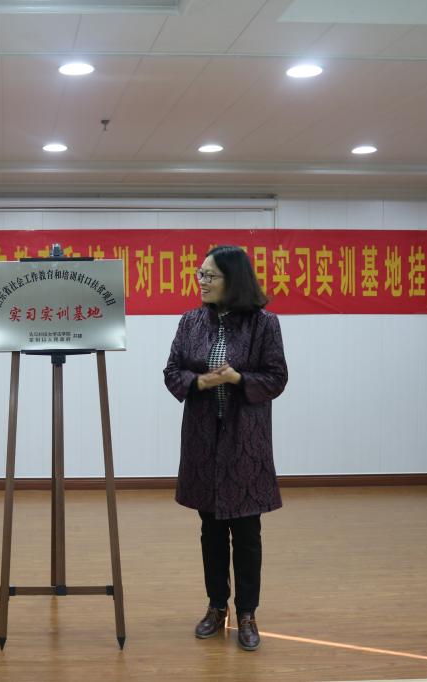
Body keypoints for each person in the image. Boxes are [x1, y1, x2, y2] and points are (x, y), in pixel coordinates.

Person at [163, 244, 288, 652]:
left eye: (210, 275)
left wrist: (237, 379)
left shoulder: (264, 323)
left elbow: (276, 378)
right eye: (199, 273)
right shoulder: (190, 321)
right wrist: (199, 382)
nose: (201, 281)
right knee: (211, 531)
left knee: (247, 533)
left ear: (233, 280)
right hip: (204, 441)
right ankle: (217, 607)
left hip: (245, 442)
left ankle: (247, 613)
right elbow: (172, 371)